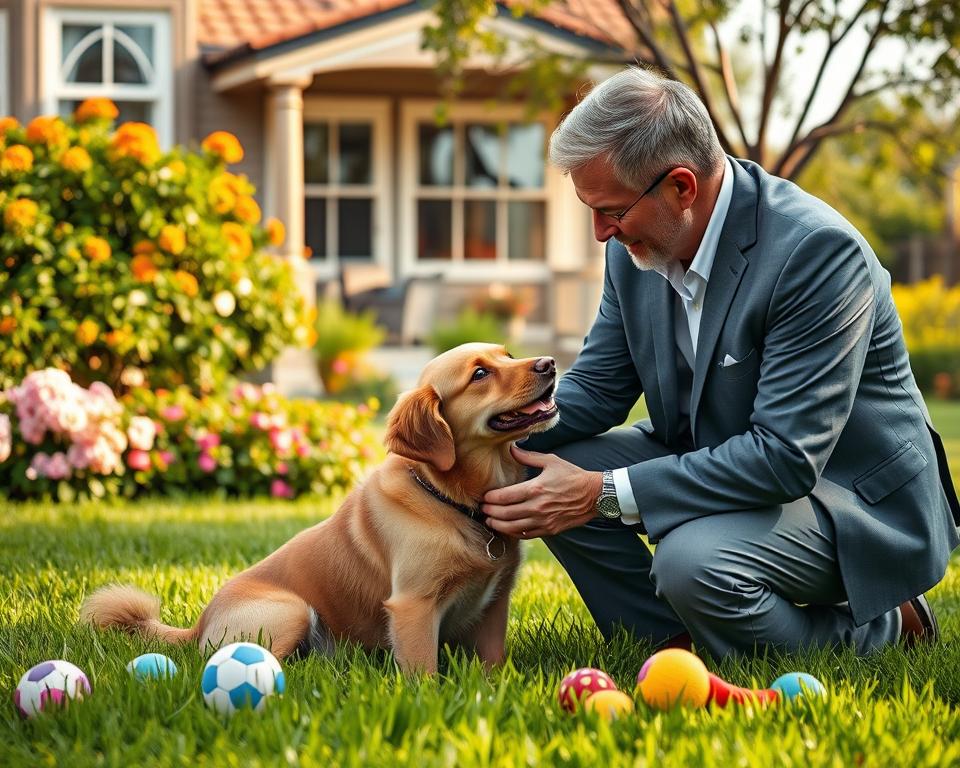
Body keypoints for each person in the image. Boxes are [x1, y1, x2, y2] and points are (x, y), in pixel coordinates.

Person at [481, 66, 960, 658]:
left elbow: (785, 458)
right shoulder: (640, 248)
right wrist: (474, 431)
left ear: (681, 186)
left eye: (610, 211)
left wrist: (601, 491)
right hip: (722, 453)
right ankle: (673, 643)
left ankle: (886, 627)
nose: (600, 232)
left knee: (692, 563)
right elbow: (600, 388)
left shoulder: (814, 253)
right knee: (530, 469)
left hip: (846, 499)